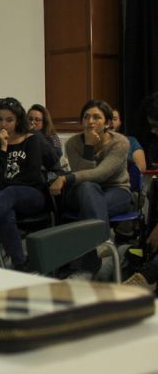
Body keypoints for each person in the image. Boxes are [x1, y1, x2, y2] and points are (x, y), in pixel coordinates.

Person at [49, 100, 131, 278]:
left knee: (90, 206)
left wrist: (65, 178)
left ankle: (85, 269)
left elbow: (101, 174)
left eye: (96, 117)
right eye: (86, 117)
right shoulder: (73, 143)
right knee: (87, 188)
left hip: (116, 191)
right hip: (85, 192)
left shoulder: (120, 142)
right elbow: (83, 175)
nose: (90, 121)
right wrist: (88, 146)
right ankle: (104, 244)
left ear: (108, 123)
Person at [0, 97, 56, 270]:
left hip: (31, 195)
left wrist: (0, 184)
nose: (3, 124)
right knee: (6, 213)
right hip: (3, 197)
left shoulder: (31, 140)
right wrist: (3, 148)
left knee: (8, 192)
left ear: (18, 120)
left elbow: (33, 177)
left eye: (9, 120)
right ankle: (21, 263)